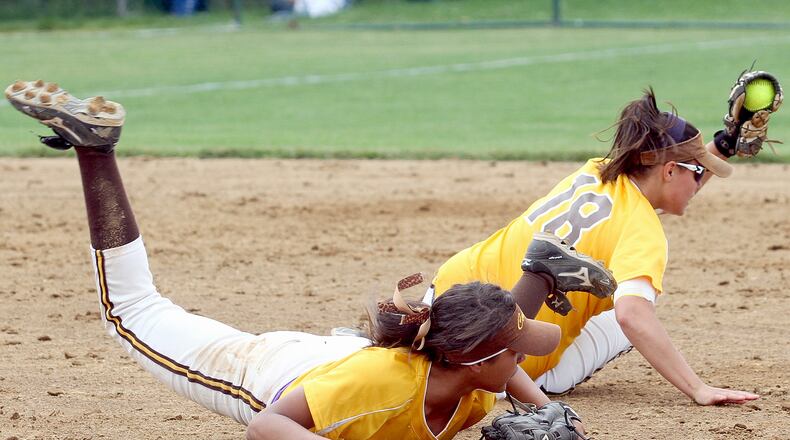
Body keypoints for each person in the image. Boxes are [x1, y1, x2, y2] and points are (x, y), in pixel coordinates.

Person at [4, 80, 617, 439]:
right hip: (277, 377)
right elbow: (266, 430)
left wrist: (550, 415)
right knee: (135, 310)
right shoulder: (383, 389)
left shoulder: (474, 374)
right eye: (515, 354)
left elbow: (497, 354)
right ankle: (95, 155)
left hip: (359, 356)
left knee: (480, 342)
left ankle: (537, 269)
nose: (522, 363)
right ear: (473, 359)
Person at [426, 88, 761, 406]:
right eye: (698, 170)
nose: (700, 180)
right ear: (670, 170)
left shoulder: (596, 171)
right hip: (499, 359)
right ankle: (530, 378)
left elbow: (657, 190)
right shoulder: (643, 231)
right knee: (635, 310)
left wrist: (723, 145)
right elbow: (632, 316)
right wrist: (698, 388)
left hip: (446, 297)